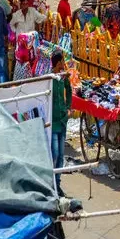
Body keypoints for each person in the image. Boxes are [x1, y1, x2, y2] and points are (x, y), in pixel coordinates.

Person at [50, 51, 72, 196]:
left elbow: (69, 91)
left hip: (62, 120)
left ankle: (57, 184)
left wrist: (69, 107)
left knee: (61, 154)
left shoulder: (63, 78)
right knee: (55, 153)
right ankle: (51, 183)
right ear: (58, 63)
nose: (64, 64)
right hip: (52, 122)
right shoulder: (49, 79)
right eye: (62, 61)